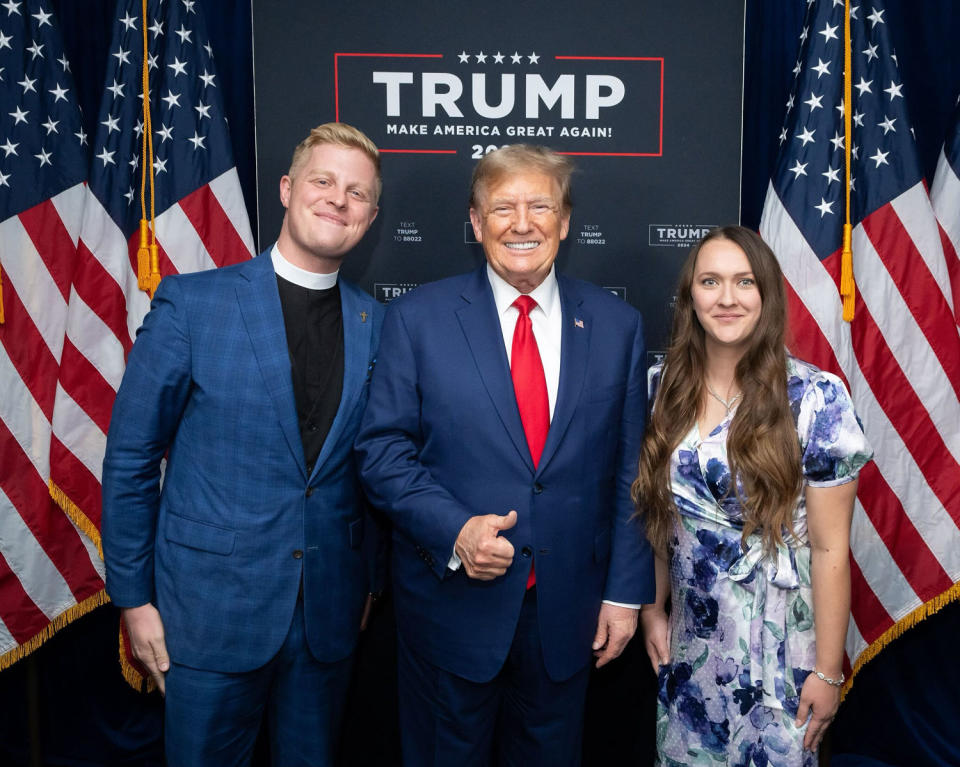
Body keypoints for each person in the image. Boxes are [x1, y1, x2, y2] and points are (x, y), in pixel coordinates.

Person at [355, 144, 654, 766]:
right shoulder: (416, 318)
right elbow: (382, 451)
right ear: (475, 222)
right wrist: (455, 529)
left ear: (565, 221)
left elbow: (633, 470)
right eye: (502, 208)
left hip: (568, 617)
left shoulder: (616, 325)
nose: (522, 223)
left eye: (540, 205)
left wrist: (626, 595)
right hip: (450, 610)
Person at [101, 122, 385, 766]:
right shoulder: (192, 304)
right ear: (287, 190)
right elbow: (131, 459)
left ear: (370, 216)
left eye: (358, 193)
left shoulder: (382, 326)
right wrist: (134, 601)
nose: (338, 200)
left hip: (329, 619)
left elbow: (377, 469)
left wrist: (367, 582)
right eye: (323, 181)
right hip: (206, 615)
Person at [633, 226, 873, 765]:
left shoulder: (817, 398)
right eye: (710, 281)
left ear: (766, 294)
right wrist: (652, 611)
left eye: (744, 282)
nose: (726, 298)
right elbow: (657, 519)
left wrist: (828, 670)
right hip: (694, 648)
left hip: (783, 649)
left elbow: (831, 550)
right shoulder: (659, 389)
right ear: (690, 297)